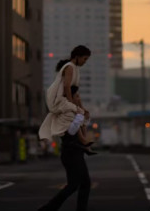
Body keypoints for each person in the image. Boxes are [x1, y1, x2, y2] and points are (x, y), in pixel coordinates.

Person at [38, 45, 93, 211]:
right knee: (76, 185)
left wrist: (81, 109)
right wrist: (72, 106)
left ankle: (50, 208)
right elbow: (68, 88)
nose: (85, 62)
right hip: (71, 151)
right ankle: (48, 208)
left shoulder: (74, 69)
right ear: (77, 56)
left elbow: (76, 95)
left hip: (73, 151)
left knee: (81, 184)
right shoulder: (69, 67)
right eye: (84, 58)